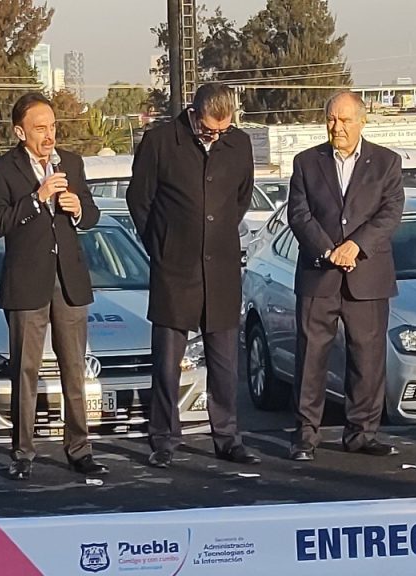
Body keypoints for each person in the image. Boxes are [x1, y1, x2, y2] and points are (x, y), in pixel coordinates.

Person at [127, 83, 260, 469]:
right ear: (193, 113)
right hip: (174, 267)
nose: (215, 136)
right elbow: (140, 199)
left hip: (220, 267)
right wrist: (162, 243)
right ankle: (165, 438)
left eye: (223, 129)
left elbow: (241, 197)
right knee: (167, 360)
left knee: (224, 361)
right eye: (208, 129)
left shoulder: (239, 145)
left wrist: (215, 234)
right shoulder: (161, 142)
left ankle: (227, 436)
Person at [0, 92, 108, 481]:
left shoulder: (71, 163)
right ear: (20, 131)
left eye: (53, 127)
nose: (49, 135)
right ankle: (22, 452)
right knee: (25, 369)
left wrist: (78, 208)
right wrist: (37, 199)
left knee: (75, 368)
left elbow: (92, 214)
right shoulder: (2, 170)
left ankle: (79, 448)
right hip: (27, 283)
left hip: (69, 280)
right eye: (40, 128)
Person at [287, 91, 405, 462]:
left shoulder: (386, 162)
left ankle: (362, 433)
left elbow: (390, 212)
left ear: (362, 121)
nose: (337, 127)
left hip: (366, 275)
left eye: (345, 120)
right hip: (318, 274)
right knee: (310, 358)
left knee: (367, 358)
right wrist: (327, 250)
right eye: (331, 119)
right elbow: (299, 213)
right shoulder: (306, 162)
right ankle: (306, 435)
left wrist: (355, 246)